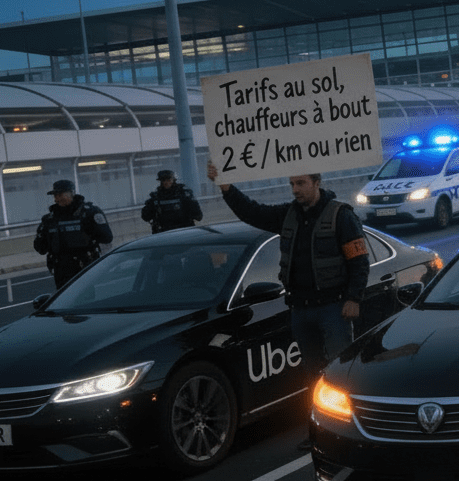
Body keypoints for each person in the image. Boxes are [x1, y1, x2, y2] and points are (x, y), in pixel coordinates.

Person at [207, 162, 369, 403]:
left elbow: (359, 261)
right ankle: (319, 419)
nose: (295, 189)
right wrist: (226, 187)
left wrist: (354, 298)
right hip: (300, 310)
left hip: (333, 309)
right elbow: (253, 212)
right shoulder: (288, 215)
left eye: (301, 183)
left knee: (341, 370)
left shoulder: (341, 216)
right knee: (313, 375)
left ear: (317, 182)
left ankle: (348, 420)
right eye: (292, 184)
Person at [33, 179, 114, 288]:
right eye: (55, 196)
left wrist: (87, 231)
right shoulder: (50, 220)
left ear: (72, 193)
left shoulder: (89, 213)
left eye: (61, 195)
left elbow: (107, 237)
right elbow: (40, 248)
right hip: (62, 272)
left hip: (85, 267)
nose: (57, 199)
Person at [141, 169, 203, 234]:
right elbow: (146, 217)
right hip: (164, 232)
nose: (166, 183)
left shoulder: (183, 194)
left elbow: (198, 216)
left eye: (168, 180)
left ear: (173, 180)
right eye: (163, 180)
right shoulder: (156, 197)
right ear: (161, 182)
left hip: (184, 231)